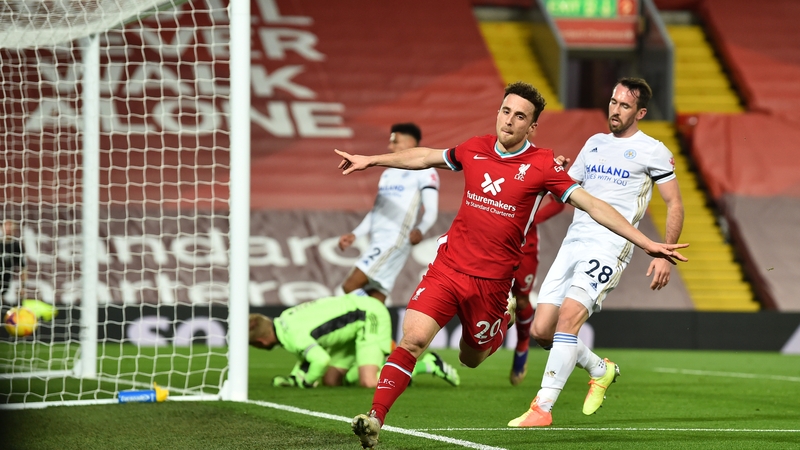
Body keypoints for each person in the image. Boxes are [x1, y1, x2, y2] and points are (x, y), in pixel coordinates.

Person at [335, 81, 688, 448]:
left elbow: (592, 203)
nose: (508, 121)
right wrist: (370, 160)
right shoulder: (475, 148)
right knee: (414, 339)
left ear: (532, 127)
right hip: (448, 268)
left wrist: (648, 243)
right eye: (505, 111)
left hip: (492, 283)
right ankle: (376, 418)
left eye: (520, 116)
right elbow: (423, 156)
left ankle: (501, 322)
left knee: (471, 358)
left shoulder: (542, 164)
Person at [508, 77, 685, 428]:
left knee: (569, 316)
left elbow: (674, 202)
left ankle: (542, 407)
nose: (615, 110)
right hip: (573, 242)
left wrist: (662, 255)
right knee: (542, 331)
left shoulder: (653, 150)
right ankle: (599, 369)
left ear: (640, 112)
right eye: (613, 102)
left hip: (610, 246)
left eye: (624, 106)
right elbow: (565, 189)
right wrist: (555, 170)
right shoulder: (594, 143)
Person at [248, 293, 460, 389]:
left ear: (262, 341)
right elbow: (307, 355)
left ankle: (429, 363)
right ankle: (375, 367)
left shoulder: (292, 336)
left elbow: (319, 359)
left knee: (369, 382)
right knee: (331, 380)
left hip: (368, 316)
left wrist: (303, 382)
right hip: (350, 328)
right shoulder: (285, 320)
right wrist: (296, 376)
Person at [338, 123, 439, 304]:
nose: (390, 146)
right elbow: (378, 210)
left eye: (395, 141)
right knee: (376, 297)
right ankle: (376, 329)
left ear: (409, 143)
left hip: (396, 239)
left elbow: (431, 209)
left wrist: (421, 229)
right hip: (377, 240)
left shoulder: (425, 171)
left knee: (350, 286)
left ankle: (359, 319)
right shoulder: (387, 175)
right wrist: (356, 234)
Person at [509, 193, 564, 386]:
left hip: (526, 247)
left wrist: (531, 219)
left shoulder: (540, 165)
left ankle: (522, 344)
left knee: (521, 299)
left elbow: (558, 204)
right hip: (497, 240)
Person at [1, 220, 27, 303]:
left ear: (14, 230)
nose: (8, 229)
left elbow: (23, 268)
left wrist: (23, 287)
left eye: (10, 227)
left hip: (5, 283)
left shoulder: (16, 246)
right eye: (6, 226)